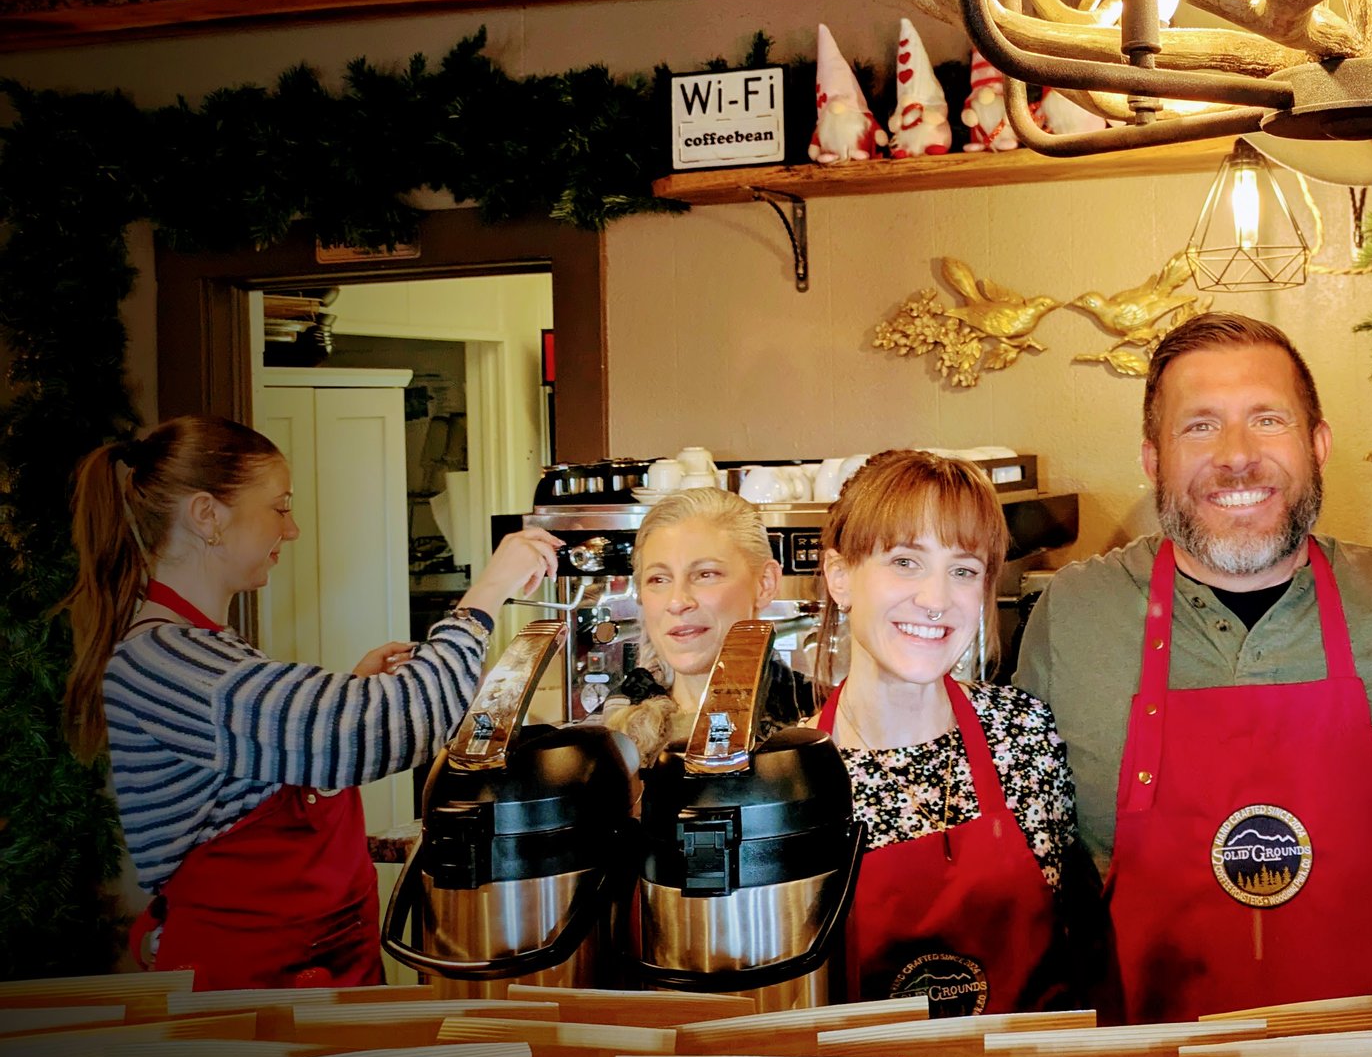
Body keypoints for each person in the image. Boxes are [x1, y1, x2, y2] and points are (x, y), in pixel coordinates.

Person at [1014, 312, 1372, 1022]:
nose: (1236, 455)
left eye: (1267, 419)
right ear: (1153, 458)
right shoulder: (1073, 617)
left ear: (1318, 444)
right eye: (1199, 426)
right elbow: (1028, 874)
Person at [65, 415, 561, 989]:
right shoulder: (164, 661)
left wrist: (350, 690)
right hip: (248, 990)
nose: (292, 528)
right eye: (279, 507)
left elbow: (258, 777)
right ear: (207, 516)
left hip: (312, 969)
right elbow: (394, 726)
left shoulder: (204, 650)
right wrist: (487, 592)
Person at [811, 450, 1083, 1016]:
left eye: (963, 570)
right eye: (906, 562)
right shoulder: (792, 781)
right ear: (841, 577)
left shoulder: (1024, 735)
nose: (936, 601)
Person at [602, 485, 813, 763]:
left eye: (705, 574)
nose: (677, 602)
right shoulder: (609, 738)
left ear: (765, 583)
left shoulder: (819, 719)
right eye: (659, 579)